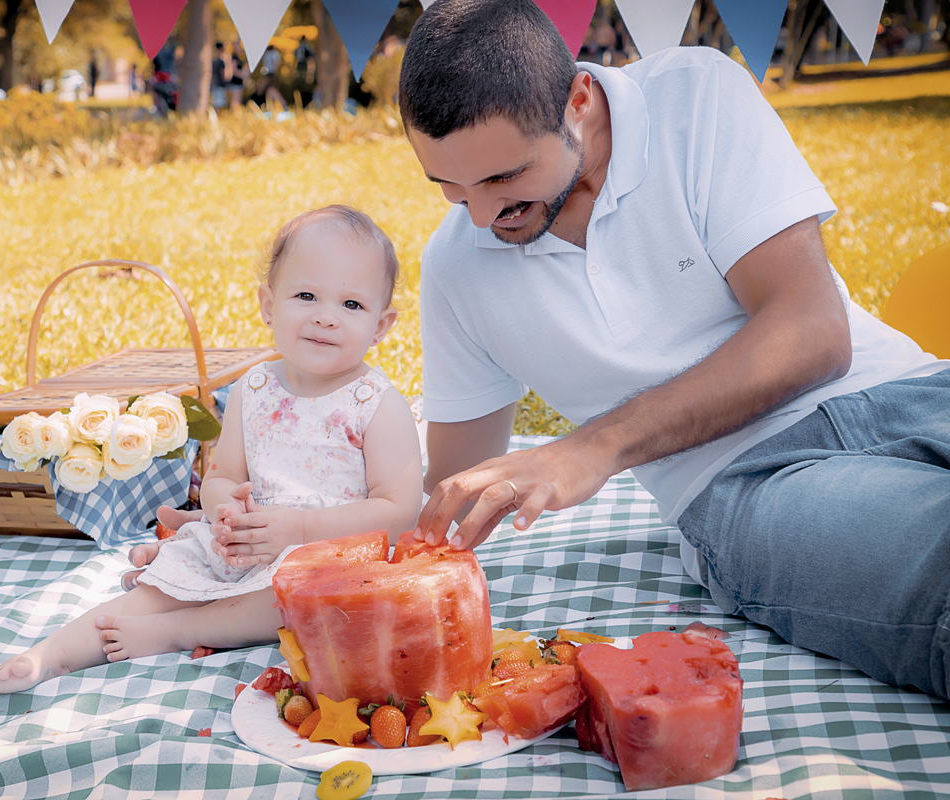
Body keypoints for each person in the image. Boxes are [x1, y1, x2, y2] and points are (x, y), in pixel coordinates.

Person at [399, 0, 949, 699]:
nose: (480, 215)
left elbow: (813, 331)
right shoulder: (455, 267)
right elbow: (454, 496)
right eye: (448, 187)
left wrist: (593, 448)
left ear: (578, 101)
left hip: (912, 388)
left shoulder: (694, 96)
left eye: (504, 178)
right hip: (748, 481)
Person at [0, 206, 423, 693]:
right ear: (269, 306)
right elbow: (224, 473)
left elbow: (400, 512)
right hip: (246, 543)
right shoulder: (255, 388)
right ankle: (52, 656)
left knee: (299, 595)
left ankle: (180, 631)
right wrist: (224, 507)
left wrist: (298, 529)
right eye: (306, 295)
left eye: (351, 306)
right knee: (162, 585)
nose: (325, 316)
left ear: (381, 327)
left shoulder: (376, 404)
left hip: (333, 553)